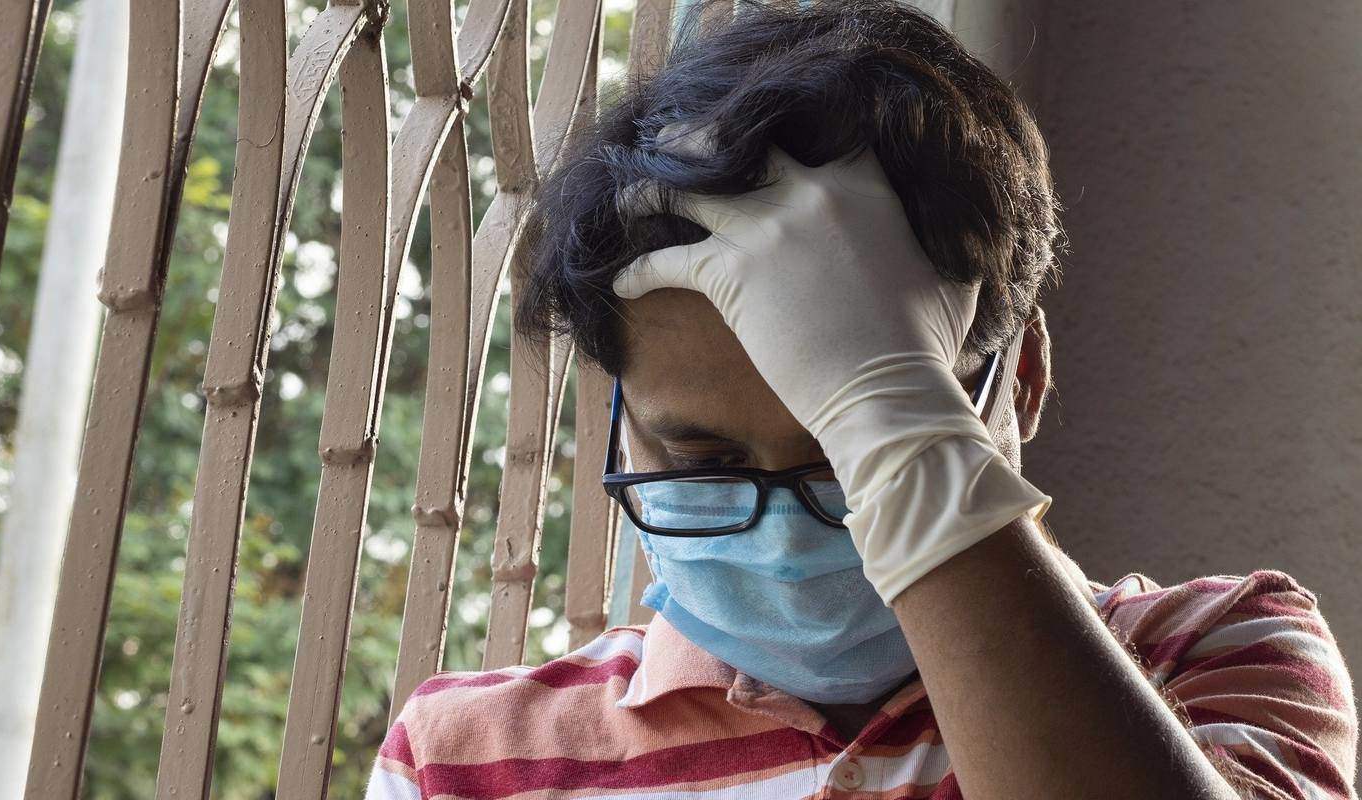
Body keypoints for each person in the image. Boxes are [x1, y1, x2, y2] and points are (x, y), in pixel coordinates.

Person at [365, 2, 1358, 798]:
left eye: (848, 457)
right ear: (624, 418)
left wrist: (885, 406)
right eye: (704, 462)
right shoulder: (464, 758)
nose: (787, 545)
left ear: (1017, 381)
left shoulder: (1211, 654)